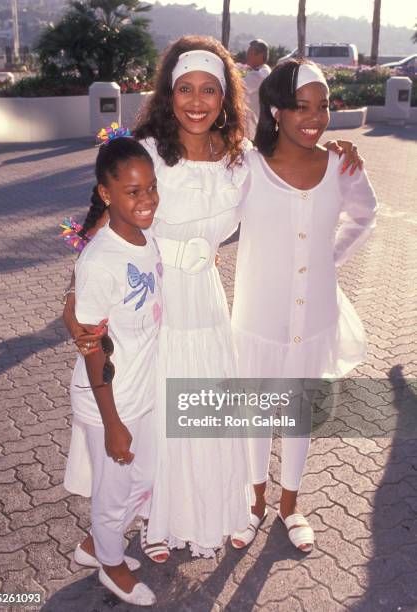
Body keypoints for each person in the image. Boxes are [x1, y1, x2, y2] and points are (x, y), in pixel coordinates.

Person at [63, 37, 363, 561]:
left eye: (209, 90)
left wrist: (335, 151)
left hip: (206, 299)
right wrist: (74, 296)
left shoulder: (240, 160)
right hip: (152, 301)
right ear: (167, 94)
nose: (196, 101)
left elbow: (291, 173)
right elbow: (103, 219)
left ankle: (198, 513)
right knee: (155, 413)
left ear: (225, 98)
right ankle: (156, 521)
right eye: (185, 89)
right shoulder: (149, 154)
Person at [230, 59, 377, 552]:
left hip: (313, 316)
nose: (315, 117)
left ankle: (290, 505)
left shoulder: (341, 165)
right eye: (302, 107)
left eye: (323, 106)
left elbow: (365, 215)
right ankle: (253, 504)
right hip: (257, 315)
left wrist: (325, 262)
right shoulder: (246, 168)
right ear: (276, 110)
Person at [63, 135, 162, 605]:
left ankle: (93, 547)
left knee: (142, 480)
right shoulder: (101, 260)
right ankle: (111, 565)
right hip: (110, 399)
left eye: (151, 188)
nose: (146, 201)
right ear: (107, 194)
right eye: (133, 192)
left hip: (140, 388)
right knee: (114, 491)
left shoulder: (144, 237)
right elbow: (94, 349)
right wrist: (113, 423)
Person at [242, 39, 271, 139]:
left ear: (259, 55)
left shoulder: (260, 74)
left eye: (250, 53)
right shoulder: (259, 71)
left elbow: (238, 86)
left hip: (255, 131)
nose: (247, 56)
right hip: (254, 129)